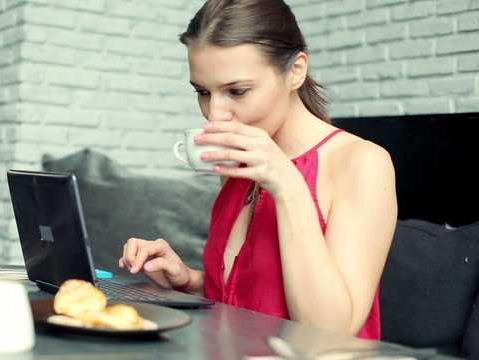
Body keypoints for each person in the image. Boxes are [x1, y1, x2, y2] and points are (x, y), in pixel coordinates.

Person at [118, 0, 397, 340]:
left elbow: (329, 331)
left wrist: (289, 187)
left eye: (237, 91)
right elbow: (254, 300)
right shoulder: (240, 164)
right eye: (203, 92)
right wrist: (189, 281)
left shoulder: (362, 163)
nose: (215, 115)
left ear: (296, 70)